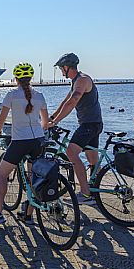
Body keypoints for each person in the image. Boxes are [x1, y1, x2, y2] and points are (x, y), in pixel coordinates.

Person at [0, 62, 49, 225]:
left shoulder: (11, 95)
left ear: (16, 78)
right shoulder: (40, 95)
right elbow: (45, 122)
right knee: (34, 178)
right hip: (38, 141)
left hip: (20, 142)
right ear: (31, 78)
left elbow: (1, 119)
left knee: (1, 175)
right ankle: (28, 216)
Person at [48, 53, 103, 205]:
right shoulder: (75, 81)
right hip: (92, 124)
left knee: (71, 152)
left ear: (67, 67)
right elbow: (65, 101)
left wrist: (56, 121)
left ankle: (85, 194)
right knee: (93, 160)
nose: (60, 71)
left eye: (61, 68)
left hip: (89, 125)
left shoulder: (83, 80)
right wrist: (51, 118)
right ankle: (94, 192)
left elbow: (72, 102)